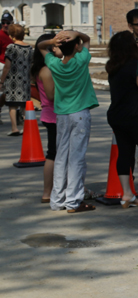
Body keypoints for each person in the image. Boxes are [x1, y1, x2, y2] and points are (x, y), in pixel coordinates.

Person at [37, 30, 99, 213]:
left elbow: (40, 47)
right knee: (77, 158)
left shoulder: (54, 63)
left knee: (61, 156)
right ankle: (73, 201)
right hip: (79, 113)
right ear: (77, 47)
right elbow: (87, 39)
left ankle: (57, 200)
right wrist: (76, 34)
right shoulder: (81, 61)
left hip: (62, 115)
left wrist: (53, 40)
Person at [106, 31, 138, 208]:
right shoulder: (135, 65)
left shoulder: (112, 66)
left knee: (124, 154)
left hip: (116, 115)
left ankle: (126, 194)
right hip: (136, 115)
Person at [31, 33, 57, 203]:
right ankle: (47, 192)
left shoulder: (41, 68)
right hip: (53, 116)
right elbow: (51, 95)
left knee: (54, 154)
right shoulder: (46, 70)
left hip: (50, 114)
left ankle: (50, 191)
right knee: (53, 155)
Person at [1, 24, 34, 135]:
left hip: (13, 80)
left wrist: (1, 80)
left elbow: (7, 66)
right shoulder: (29, 48)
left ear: (12, 35)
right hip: (25, 80)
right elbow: (31, 64)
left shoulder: (11, 47)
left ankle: (14, 128)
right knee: (25, 105)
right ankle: (26, 127)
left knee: (12, 105)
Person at [0, 12, 15, 123]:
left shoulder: (12, 36)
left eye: (7, 23)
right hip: (1, 66)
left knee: (8, 93)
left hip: (11, 68)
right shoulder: (0, 35)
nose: (5, 25)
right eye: (3, 22)